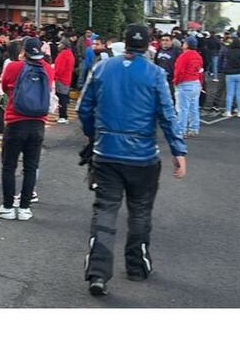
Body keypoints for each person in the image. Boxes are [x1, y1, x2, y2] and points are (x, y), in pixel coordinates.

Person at [77, 24, 187, 296]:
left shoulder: (102, 68)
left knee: (104, 211)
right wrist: (178, 151)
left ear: (124, 44)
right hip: (143, 157)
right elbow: (167, 115)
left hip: (106, 154)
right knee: (139, 212)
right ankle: (137, 267)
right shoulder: (155, 74)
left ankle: (98, 274)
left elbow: (83, 109)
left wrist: (95, 136)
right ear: (148, 44)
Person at [0, 37, 53, 221]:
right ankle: (25, 207)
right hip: (38, 124)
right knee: (31, 167)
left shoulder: (13, 67)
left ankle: (8, 206)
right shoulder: (48, 69)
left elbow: (4, 86)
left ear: (24, 51)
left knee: (9, 166)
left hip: (15, 121)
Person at [173, 35, 204, 137]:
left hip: (185, 83)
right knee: (194, 108)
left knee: (182, 109)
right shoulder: (198, 56)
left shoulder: (184, 56)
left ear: (187, 44)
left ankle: (181, 130)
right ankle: (194, 128)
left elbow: (179, 71)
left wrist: (176, 82)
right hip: (196, 82)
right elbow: (200, 71)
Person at [223, 39, 240, 118]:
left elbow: (225, 61)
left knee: (229, 94)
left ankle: (228, 111)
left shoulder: (228, 52)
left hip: (230, 74)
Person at [53, 38, 75, 124]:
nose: (58, 46)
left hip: (61, 79)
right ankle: (61, 115)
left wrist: (54, 76)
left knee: (61, 98)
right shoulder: (69, 53)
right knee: (63, 97)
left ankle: (63, 116)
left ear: (64, 45)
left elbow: (59, 68)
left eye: (60, 44)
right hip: (66, 78)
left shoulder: (63, 54)